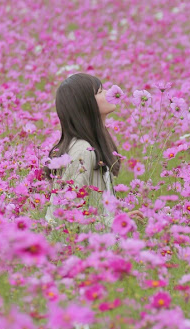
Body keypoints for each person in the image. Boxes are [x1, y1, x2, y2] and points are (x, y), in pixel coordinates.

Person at [43, 73, 143, 228]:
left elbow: (89, 209)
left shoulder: (92, 144)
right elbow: (71, 216)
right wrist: (112, 224)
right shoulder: (83, 150)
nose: (108, 93)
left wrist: (118, 220)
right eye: (100, 91)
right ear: (85, 104)